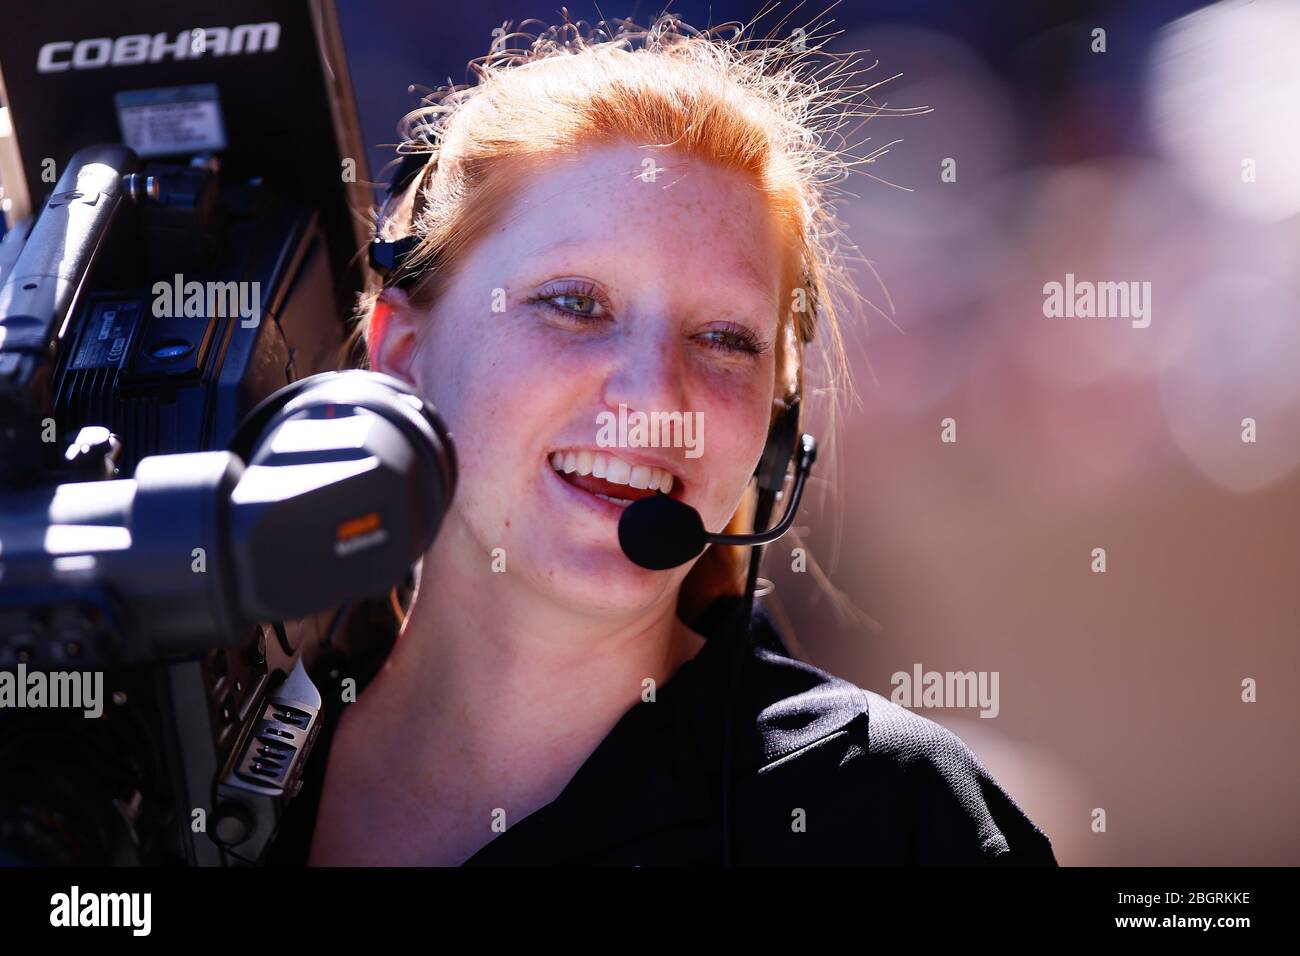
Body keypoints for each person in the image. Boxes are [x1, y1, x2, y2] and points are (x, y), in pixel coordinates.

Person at [270, 13, 1057, 866]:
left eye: (724, 340)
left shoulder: (890, 816)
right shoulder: (185, 776)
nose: (653, 396)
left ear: (774, 430)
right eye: (575, 305)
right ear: (402, 354)